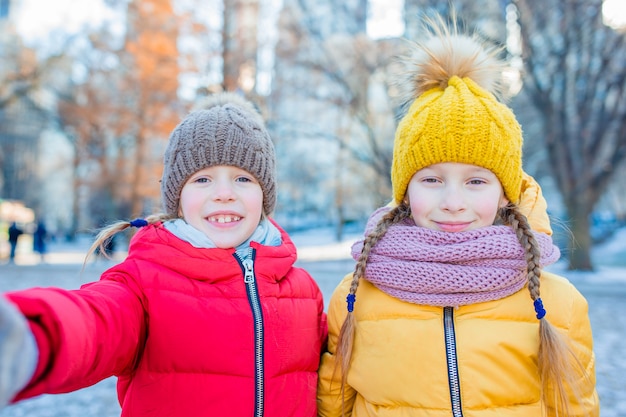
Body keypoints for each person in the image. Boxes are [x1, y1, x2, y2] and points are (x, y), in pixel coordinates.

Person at [317, 18, 598, 417]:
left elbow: (576, 407)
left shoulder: (558, 304)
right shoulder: (356, 295)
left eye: (475, 182)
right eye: (431, 179)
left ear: (505, 194)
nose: (452, 201)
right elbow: (333, 403)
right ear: (404, 191)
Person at [0, 93, 327, 416]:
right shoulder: (143, 284)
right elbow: (97, 320)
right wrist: (31, 335)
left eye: (243, 178)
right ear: (178, 197)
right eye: (203, 179)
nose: (224, 194)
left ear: (265, 194)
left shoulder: (303, 291)